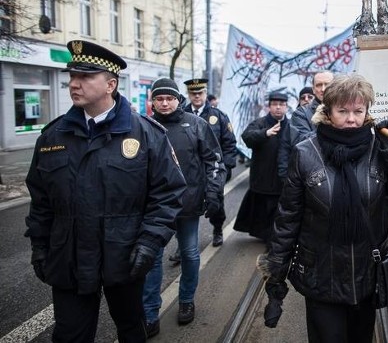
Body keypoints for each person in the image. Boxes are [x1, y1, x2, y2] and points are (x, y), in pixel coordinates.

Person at [24, 40, 186, 342]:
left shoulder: (146, 134)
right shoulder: (52, 136)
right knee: (70, 335)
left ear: (110, 84)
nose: (74, 83)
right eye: (72, 76)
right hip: (69, 258)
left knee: (130, 329)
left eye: (85, 77)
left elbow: (168, 193)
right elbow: (40, 199)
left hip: (124, 255)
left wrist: (150, 243)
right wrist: (40, 246)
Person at [257, 74, 388, 342]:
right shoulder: (305, 152)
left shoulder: (378, 148)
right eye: (343, 111)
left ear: (367, 112)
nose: (351, 119)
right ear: (328, 112)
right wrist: (276, 279)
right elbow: (288, 218)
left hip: (366, 275)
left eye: (358, 111)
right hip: (321, 274)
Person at [142, 78, 226, 337]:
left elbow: (214, 161)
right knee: (152, 259)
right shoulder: (144, 127)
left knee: (190, 253)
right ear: (153, 102)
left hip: (187, 205)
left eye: (169, 98)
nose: (165, 103)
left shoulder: (197, 125)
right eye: (159, 98)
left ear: (178, 100)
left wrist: (213, 194)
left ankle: (186, 300)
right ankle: (149, 313)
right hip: (154, 208)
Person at [183, 78, 237, 247]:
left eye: (200, 93)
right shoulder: (181, 114)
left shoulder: (218, 116)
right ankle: (182, 242)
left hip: (212, 170)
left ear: (205, 93)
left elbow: (229, 143)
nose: (197, 96)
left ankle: (217, 229)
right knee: (184, 208)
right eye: (193, 93)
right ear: (189, 95)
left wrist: (226, 168)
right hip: (189, 171)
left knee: (215, 204)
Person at [234, 91, 289, 245]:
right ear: (269, 107)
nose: (278, 107)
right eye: (275, 104)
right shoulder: (260, 123)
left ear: (286, 107)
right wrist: (265, 133)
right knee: (263, 209)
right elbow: (247, 137)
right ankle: (266, 236)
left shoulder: (290, 125)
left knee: (279, 210)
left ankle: (275, 236)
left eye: (281, 104)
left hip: (281, 178)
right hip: (262, 176)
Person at [277, 70, 334, 180]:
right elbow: (302, 143)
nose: (323, 89)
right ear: (313, 89)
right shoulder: (301, 113)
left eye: (327, 84)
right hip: (314, 175)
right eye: (318, 85)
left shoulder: (346, 110)